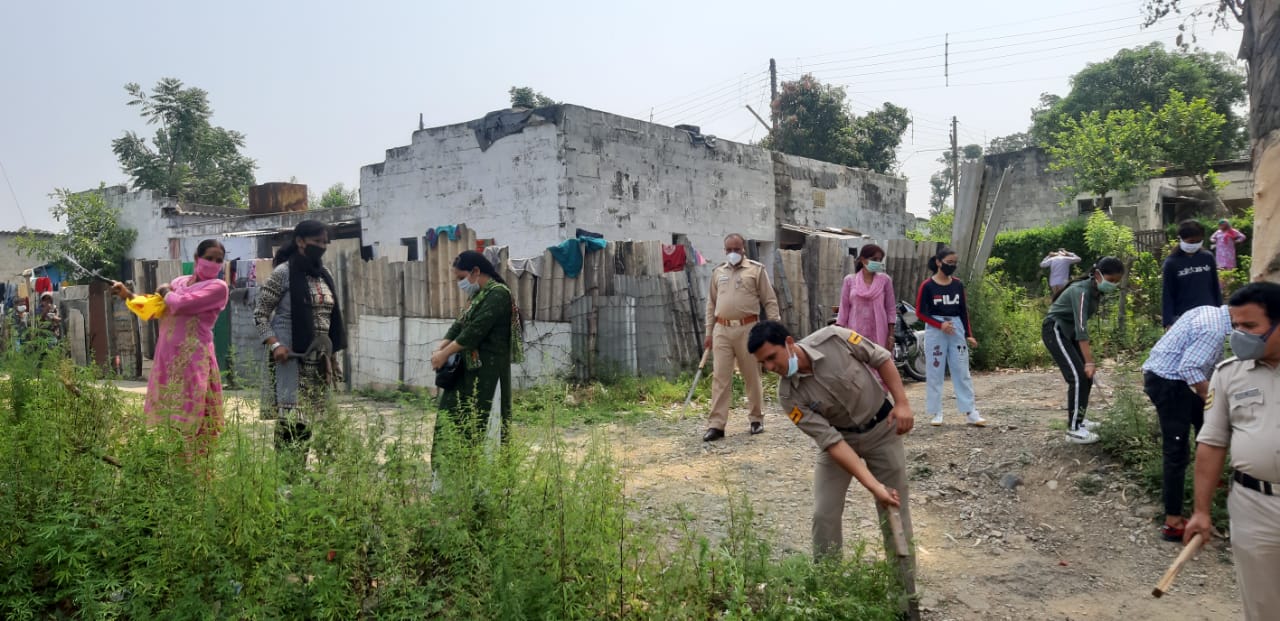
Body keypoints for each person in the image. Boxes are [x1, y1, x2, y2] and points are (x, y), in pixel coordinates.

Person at [747, 320, 918, 618]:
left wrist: (902, 403)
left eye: (771, 357)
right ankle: (830, 595)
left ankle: (905, 601)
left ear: (789, 342)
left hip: (882, 430)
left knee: (895, 515)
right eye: (763, 363)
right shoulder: (788, 397)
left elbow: (881, 358)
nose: (770, 367)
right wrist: (873, 486)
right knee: (823, 515)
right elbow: (832, 442)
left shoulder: (835, 338)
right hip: (840, 444)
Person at [1184, 282, 1280, 621]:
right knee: (1263, 605)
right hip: (1255, 506)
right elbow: (1212, 443)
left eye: (1250, 326)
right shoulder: (1228, 374)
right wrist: (1201, 511)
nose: (1240, 335)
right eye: (1235, 326)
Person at [111, 239, 230, 450]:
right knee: (168, 419)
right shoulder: (179, 282)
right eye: (209, 258)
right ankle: (173, 468)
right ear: (196, 258)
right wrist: (127, 295)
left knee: (193, 419)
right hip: (167, 358)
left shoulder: (218, 287)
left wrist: (166, 292)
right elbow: (155, 308)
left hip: (193, 360)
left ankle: (195, 471)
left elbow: (181, 304)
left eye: (218, 260)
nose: (213, 263)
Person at [254, 220, 347, 479]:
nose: (322, 246)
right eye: (317, 241)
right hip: (291, 360)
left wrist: (332, 356)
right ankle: (287, 482)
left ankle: (310, 482)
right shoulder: (283, 273)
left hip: (319, 363)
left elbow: (330, 321)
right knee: (293, 423)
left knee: (322, 424)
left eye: (325, 242)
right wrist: (275, 345)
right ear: (300, 241)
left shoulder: (324, 274)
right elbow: (260, 315)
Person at [1140, 303, 1232, 541]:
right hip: (1168, 382)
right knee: (1177, 450)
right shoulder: (1214, 329)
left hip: (1171, 378)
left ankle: (1212, 481)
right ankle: (1173, 521)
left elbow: (1210, 363)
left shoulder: (1209, 312)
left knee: (1209, 426)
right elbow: (1189, 366)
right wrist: (1210, 398)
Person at [429, 251, 522, 458]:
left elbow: (474, 332)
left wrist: (444, 355)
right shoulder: (477, 296)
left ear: (476, 271)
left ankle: (483, 483)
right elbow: (459, 325)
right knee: (456, 417)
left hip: (489, 373)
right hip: (468, 371)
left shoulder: (498, 294)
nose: (460, 283)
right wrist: (440, 347)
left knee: (483, 421)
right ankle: (455, 477)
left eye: (462, 278)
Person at [701, 233, 781, 441]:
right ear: (724, 251)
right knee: (720, 377)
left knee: (751, 374)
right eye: (729, 250)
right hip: (722, 330)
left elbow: (770, 301)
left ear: (743, 249)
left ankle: (756, 419)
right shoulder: (718, 272)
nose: (733, 253)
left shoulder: (756, 270)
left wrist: (774, 330)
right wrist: (709, 332)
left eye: (737, 249)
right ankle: (716, 425)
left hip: (748, 328)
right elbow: (711, 304)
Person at [1041, 257, 1125, 444]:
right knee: (1078, 377)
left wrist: (1088, 362)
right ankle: (1073, 430)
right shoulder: (1081, 291)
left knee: (1086, 377)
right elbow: (1081, 329)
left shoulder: (1094, 291)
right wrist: (1089, 361)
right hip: (1055, 330)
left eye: (1116, 281)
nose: (1113, 285)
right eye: (1110, 280)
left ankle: (1079, 419)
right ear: (1097, 275)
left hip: (1067, 334)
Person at [915, 247, 985, 427]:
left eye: (955, 263)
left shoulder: (958, 285)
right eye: (949, 262)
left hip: (956, 330)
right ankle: (936, 411)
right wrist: (939, 324)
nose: (952, 266)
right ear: (939, 262)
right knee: (935, 371)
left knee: (962, 371)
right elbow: (921, 313)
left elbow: (963, 311)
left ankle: (970, 411)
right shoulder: (927, 286)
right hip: (935, 330)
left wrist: (968, 334)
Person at [1162, 220, 1222, 328]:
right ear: (1180, 239)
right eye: (1191, 241)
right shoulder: (1171, 263)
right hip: (1183, 317)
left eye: (1198, 241)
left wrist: (1220, 311)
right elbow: (1167, 293)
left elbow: (1215, 287)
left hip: (1209, 314)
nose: (1195, 245)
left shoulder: (1207, 258)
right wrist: (1168, 321)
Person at [837, 244, 895, 352]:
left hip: (879, 332)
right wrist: (840, 333)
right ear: (863, 260)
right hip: (855, 331)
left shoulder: (885, 280)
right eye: (874, 259)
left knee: (878, 362)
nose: (877, 262)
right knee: (857, 364)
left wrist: (891, 335)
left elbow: (890, 309)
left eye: (880, 259)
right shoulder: (850, 280)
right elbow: (844, 309)